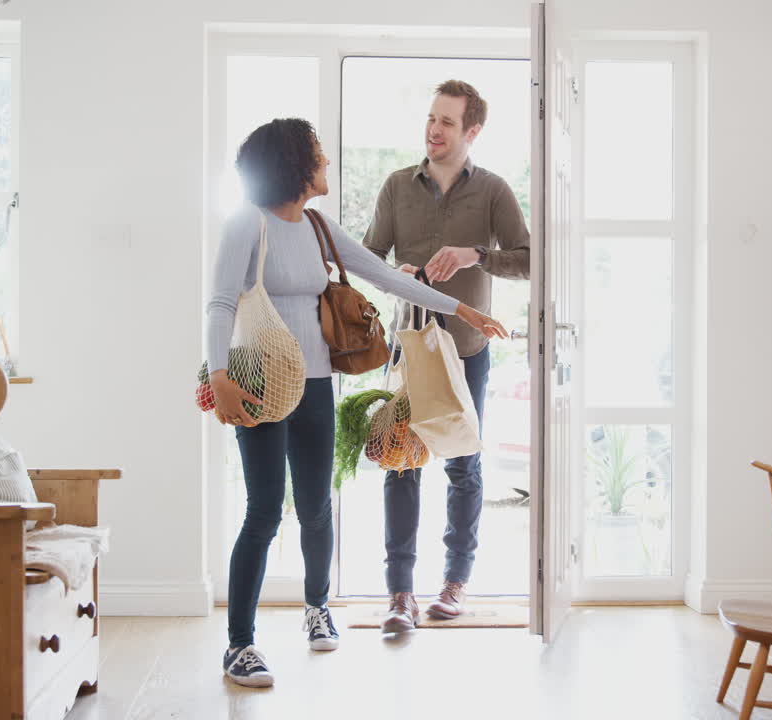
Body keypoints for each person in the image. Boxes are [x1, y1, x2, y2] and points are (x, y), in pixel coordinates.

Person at [205, 118, 507, 688]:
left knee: (317, 506)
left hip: (317, 385)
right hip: (259, 384)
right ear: (293, 163)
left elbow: (385, 277)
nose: (325, 163)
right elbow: (220, 302)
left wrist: (462, 309)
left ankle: (317, 609)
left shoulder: (317, 226)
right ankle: (239, 644)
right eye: (317, 154)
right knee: (264, 511)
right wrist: (219, 375)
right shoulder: (248, 223)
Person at [363, 80, 531, 632]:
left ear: (472, 131)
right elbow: (367, 258)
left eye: (447, 122)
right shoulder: (396, 186)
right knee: (401, 464)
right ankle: (399, 595)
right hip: (408, 349)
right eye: (431, 119)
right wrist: (397, 274)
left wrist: (475, 255)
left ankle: (455, 583)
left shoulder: (494, 191)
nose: (434, 130)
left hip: (467, 351)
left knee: (463, 465)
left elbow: (530, 259)